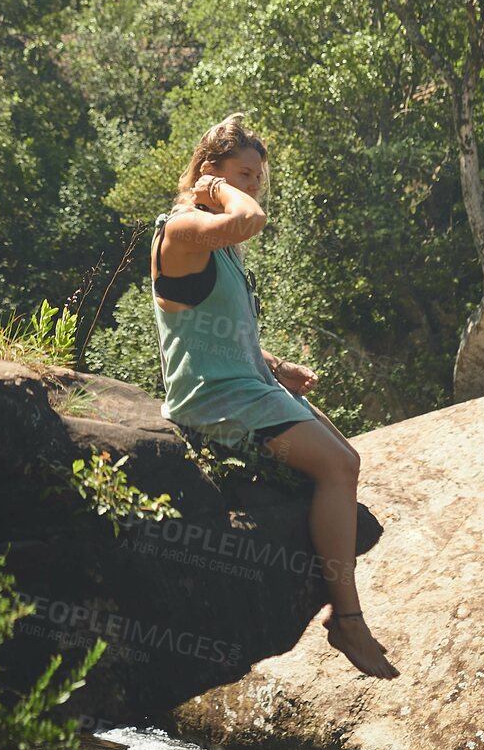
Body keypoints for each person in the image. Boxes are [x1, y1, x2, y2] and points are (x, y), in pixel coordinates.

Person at [150, 113, 398, 680]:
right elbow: (252, 220)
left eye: (259, 177)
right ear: (210, 172)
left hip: (248, 387)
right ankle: (348, 619)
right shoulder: (183, 229)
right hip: (215, 402)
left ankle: (340, 604)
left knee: (341, 450)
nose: (254, 187)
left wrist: (275, 367)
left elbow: (204, 331)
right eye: (244, 173)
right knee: (340, 465)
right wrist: (216, 192)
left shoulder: (219, 247)